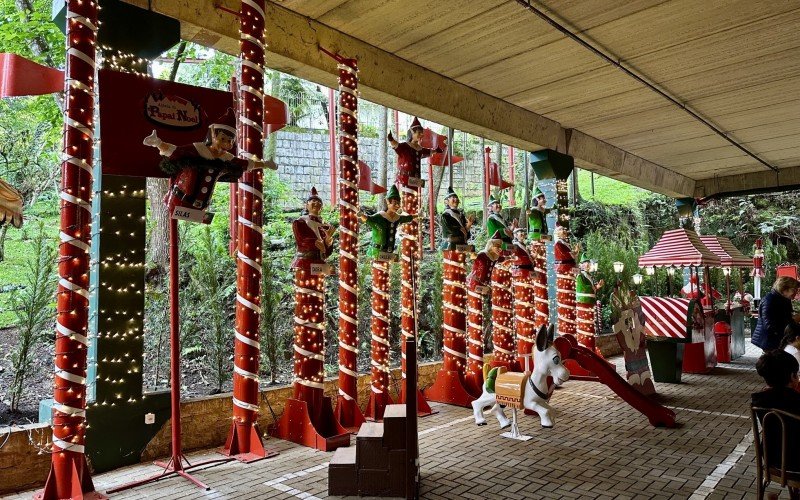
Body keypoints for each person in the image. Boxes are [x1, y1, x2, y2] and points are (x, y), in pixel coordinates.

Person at [143, 109, 276, 212]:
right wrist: (158, 143)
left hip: (201, 206)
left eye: (230, 141)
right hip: (178, 201)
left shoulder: (227, 158)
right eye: (223, 139)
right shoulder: (197, 149)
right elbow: (176, 151)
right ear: (213, 135)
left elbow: (245, 164)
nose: (227, 144)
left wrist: (265, 164)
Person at [751, 349, 800, 475]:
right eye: (797, 374)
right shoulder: (795, 400)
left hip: (771, 460)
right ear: (792, 376)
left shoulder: (759, 400)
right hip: (796, 464)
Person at [359, 185, 414, 259]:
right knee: (379, 268)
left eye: (398, 203)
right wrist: (360, 214)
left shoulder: (397, 218)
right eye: (394, 203)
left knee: (386, 268)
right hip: (377, 252)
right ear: (388, 202)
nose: (397, 206)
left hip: (388, 252)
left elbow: (408, 218)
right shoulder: (380, 216)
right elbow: (368, 219)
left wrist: (418, 215)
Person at [291, 187, 334, 271]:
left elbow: (327, 252)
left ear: (321, 207)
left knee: (320, 284)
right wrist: (318, 243)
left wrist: (328, 241)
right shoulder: (300, 222)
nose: (316, 203)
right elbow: (301, 240)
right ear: (306, 205)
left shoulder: (326, 226)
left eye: (319, 202)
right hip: (304, 262)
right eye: (313, 201)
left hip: (320, 263)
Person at [752, 276, 800, 352]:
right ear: (784, 289)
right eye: (794, 290)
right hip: (771, 341)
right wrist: (793, 321)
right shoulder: (769, 300)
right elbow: (769, 326)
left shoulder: (785, 299)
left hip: (780, 339)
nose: (796, 293)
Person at [439, 186, 474, 251]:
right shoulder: (446, 215)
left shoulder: (461, 215)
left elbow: (465, 233)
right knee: (453, 261)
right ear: (446, 201)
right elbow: (450, 230)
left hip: (462, 244)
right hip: (451, 245)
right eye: (453, 197)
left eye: (456, 197)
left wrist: (469, 225)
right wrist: (461, 228)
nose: (456, 199)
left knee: (465, 258)